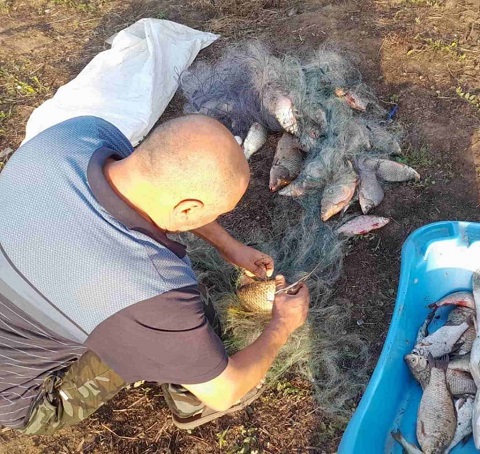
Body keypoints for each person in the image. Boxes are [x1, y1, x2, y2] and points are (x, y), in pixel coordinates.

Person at [0, 114, 310, 435]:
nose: (217, 218)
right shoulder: (152, 291)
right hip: (26, 396)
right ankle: (190, 404)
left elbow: (157, 188)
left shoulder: (80, 134)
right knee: (190, 313)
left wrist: (228, 246)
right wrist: (282, 324)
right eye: (218, 212)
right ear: (188, 210)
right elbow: (225, 391)